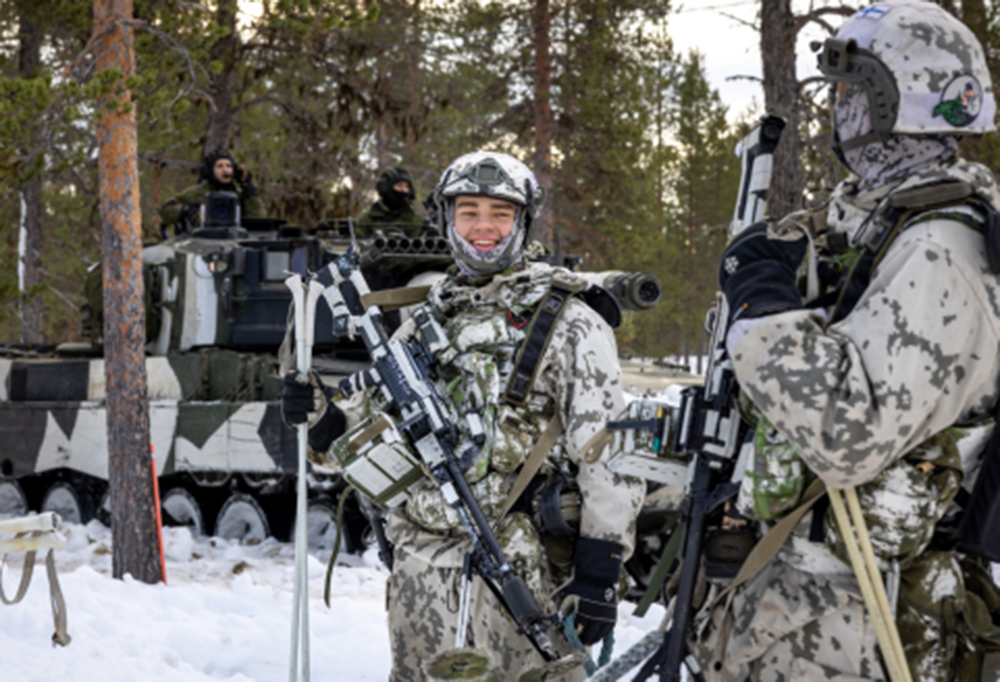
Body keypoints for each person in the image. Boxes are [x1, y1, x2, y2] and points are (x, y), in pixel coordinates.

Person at [693, 2, 1000, 680]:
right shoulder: (878, 225)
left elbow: (846, 434)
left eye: (850, 94)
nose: (839, 111)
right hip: (800, 612)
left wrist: (760, 308)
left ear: (893, 105)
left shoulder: (941, 251)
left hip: (862, 629)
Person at [283, 151, 645, 680]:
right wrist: (319, 420)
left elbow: (607, 452)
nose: (483, 227)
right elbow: (371, 435)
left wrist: (600, 570)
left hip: (524, 573)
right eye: (468, 211)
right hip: (421, 571)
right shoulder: (426, 316)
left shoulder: (569, 320)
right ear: (447, 218)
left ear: (523, 220)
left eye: (500, 213)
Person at [159, 149, 261, 235]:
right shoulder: (198, 192)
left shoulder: (240, 194)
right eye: (220, 166)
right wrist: (186, 210)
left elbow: (257, 221)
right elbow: (165, 211)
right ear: (211, 170)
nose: (225, 170)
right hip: (200, 241)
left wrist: (249, 189)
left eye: (229, 166)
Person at [356, 166, 425, 238]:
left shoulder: (412, 218)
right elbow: (357, 241)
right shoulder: (368, 216)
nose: (404, 190)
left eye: (407, 187)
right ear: (386, 188)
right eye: (399, 186)